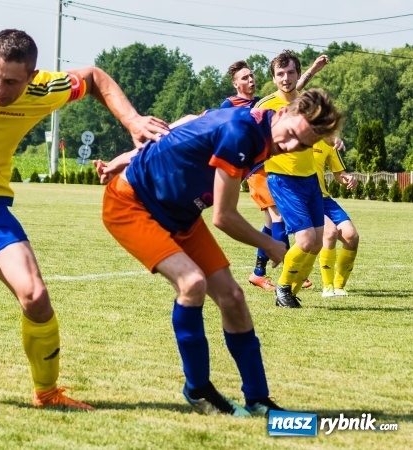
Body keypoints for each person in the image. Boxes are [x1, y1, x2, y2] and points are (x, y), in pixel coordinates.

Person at [0, 29, 169, 410]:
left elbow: (93, 77)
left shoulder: (45, 89)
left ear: (32, 77)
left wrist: (132, 120)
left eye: (11, 82)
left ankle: (47, 394)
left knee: (36, 297)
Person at [96, 89, 344, 416]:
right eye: (292, 135)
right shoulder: (241, 133)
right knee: (192, 283)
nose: (289, 146)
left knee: (233, 298)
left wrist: (124, 157)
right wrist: (269, 244)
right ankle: (198, 390)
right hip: (132, 205)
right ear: (284, 113)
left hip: (181, 215)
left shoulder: (259, 126)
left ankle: (258, 400)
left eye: (302, 145)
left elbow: (186, 125)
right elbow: (223, 217)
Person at [232, 56, 329, 291]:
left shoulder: (286, 100)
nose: (250, 80)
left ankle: (259, 272)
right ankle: (287, 266)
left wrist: (312, 70)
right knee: (279, 219)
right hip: (265, 172)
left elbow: (294, 90)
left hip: (298, 176)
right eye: (244, 78)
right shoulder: (244, 105)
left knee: (274, 223)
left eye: (251, 76)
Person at [255, 51, 343, 308]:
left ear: (297, 74)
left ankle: (290, 292)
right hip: (283, 180)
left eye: (290, 72)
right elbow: (250, 137)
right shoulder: (264, 106)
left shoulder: (306, 103)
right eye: (280, 74)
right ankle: (282, 289)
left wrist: (333, 138)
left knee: (316, 243)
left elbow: (321, 131)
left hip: (310, 179)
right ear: (273, 78)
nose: (286, 78)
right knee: (305, 240)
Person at [313, 143, 359, 297]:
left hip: (325, 199)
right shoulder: (297, 138)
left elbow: (339, 173)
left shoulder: (328, 142)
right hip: (306, 199)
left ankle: (339, 286)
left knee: (352, 236)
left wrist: (348, 179)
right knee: (330, 232)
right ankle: (327, 286)